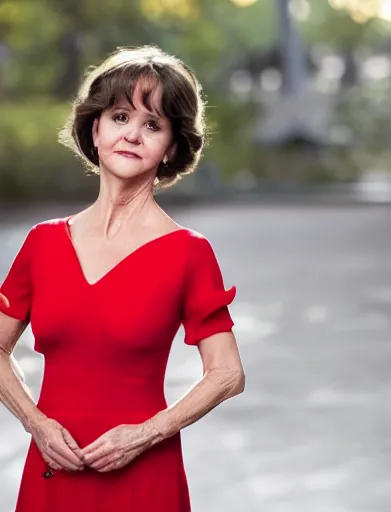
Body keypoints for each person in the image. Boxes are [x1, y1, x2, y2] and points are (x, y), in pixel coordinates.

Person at [0, 45, 245, 512]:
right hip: (52, 473)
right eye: (119, 116)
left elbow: (228, 374)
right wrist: (35, 423)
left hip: (144, 481)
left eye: (152, 125)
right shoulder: (42, 243)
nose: (132, 134)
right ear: (95, 128)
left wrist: (147, 433)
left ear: (170, 147)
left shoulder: (189, 253)